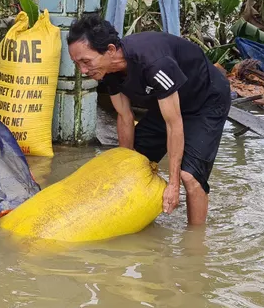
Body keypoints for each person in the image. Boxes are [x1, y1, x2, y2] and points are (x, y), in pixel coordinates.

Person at [67, 14, 230, 225]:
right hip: (167, 105)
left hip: (206, 101)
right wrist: (125, 167)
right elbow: (125, 116)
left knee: (189, 177)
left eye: (86, 61)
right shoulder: (106, 71)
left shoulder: (154, 63)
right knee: (137, 160)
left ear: (110, 50)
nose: (83, 70)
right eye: (77, 63)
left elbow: (174, 124)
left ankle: (194, 246)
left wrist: (173, 184)